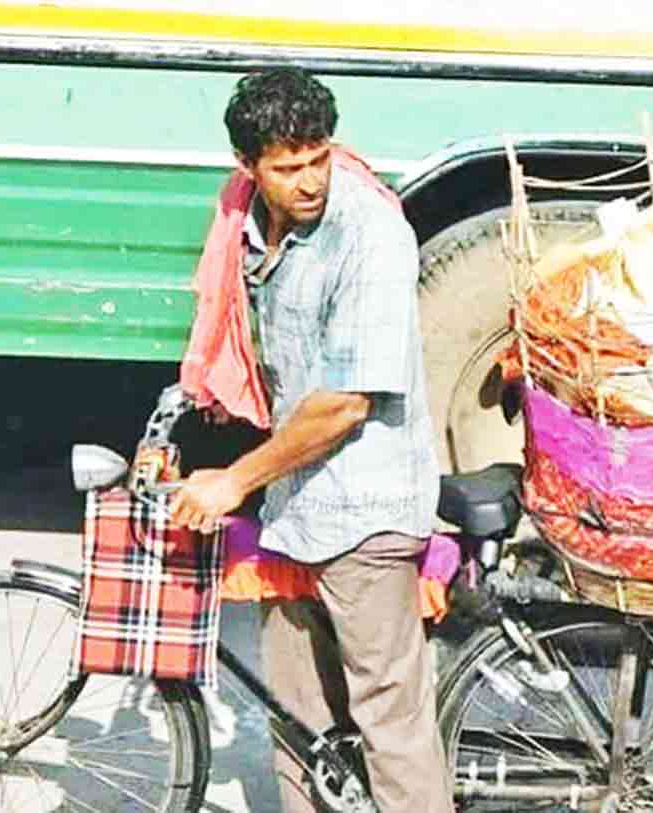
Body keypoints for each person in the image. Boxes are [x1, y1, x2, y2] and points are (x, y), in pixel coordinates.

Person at [169, 67, 453, 813]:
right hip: (295, 510)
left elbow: (344, 403)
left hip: (364, 508)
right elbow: (239, 340)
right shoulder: (243, 218)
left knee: (390, 726)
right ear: (249, 168)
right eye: (286, 167)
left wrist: (234, 479)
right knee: (298, 724)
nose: (308, 181)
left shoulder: (371, 233)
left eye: (317, 158)